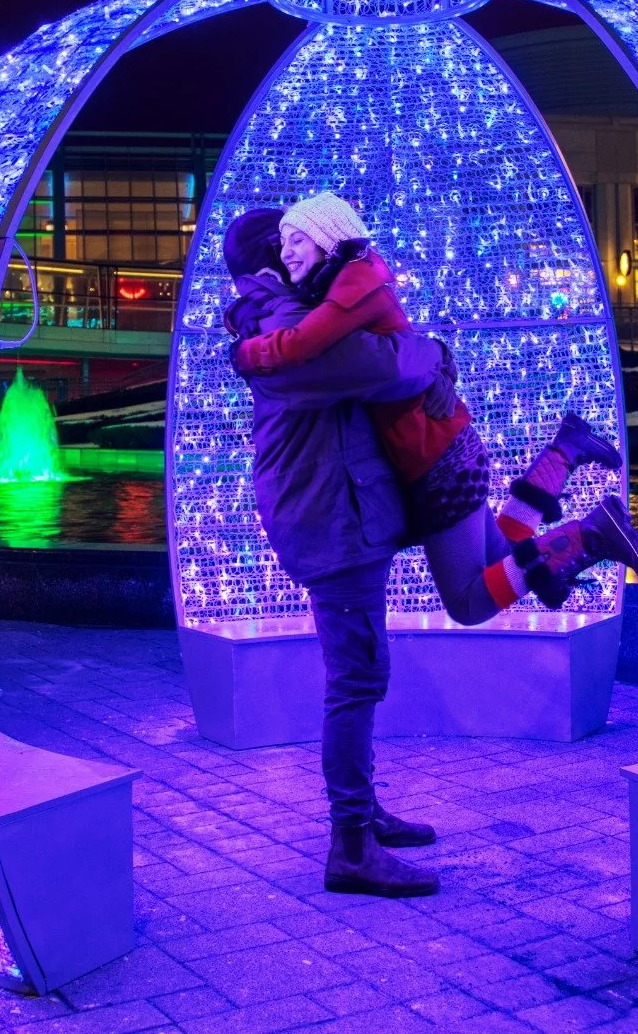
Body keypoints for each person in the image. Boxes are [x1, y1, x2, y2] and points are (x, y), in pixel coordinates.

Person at [234, 191, 638, 623]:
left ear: (327, 238)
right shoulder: (339, 283)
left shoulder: (340, 290)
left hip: (436, 461)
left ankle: (593, 534)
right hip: (444, 447)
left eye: (296, 240)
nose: (288, 253)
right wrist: (435, 354)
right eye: (281, 243)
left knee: (468, 602)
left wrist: (248, 355)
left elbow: (354, 357)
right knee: (507, 558)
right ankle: (565, 452)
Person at [221, 207, 456, 899]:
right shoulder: (279, 322)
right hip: (330, 523)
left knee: (362, 673)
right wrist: (434, 353)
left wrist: (426, 352)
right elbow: (375, 363)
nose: (304, 256)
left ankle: (366, 813)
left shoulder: (294, 314)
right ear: (271, 260)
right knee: (356, 679)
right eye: (288, 246)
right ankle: (350, 846)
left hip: (339, 513)